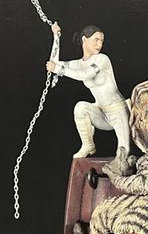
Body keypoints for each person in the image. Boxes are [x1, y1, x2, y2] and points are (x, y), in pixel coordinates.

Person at [45, 23, 132, 170]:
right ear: (84, 39)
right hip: (102, 113)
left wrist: (59, 69)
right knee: (80, 107)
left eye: (102, 41)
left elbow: (85, 75)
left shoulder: (102, 59)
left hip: (119, 112)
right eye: (96, 40)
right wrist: (56, 37)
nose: (100, 44)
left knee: (123, 157)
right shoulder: (79, 63)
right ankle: (88, 145)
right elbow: (54, 64)